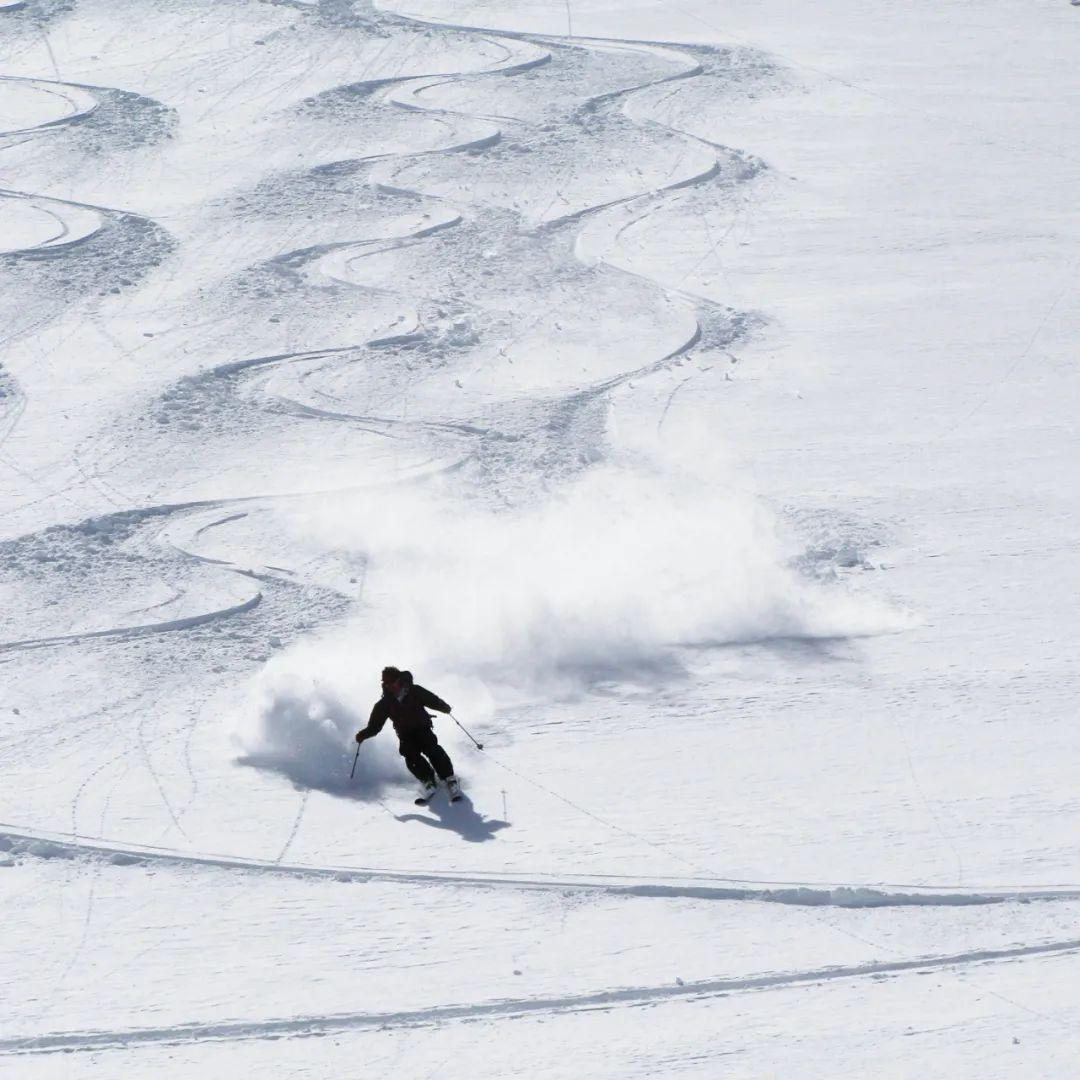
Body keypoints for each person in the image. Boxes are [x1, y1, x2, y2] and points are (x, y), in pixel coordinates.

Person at [355, 667, 461, 803]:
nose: (390, 686)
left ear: (399, 680)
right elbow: (375, 726)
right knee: (410, 755)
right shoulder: (385, 703)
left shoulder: (414, 691)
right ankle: (428, 779)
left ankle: (449, 778)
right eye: (386, 684)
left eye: (392, 683)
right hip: (405, 733)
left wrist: (443, 707)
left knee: (432, 749)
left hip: (422, 727)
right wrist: (363, 734)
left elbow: (432, 700)